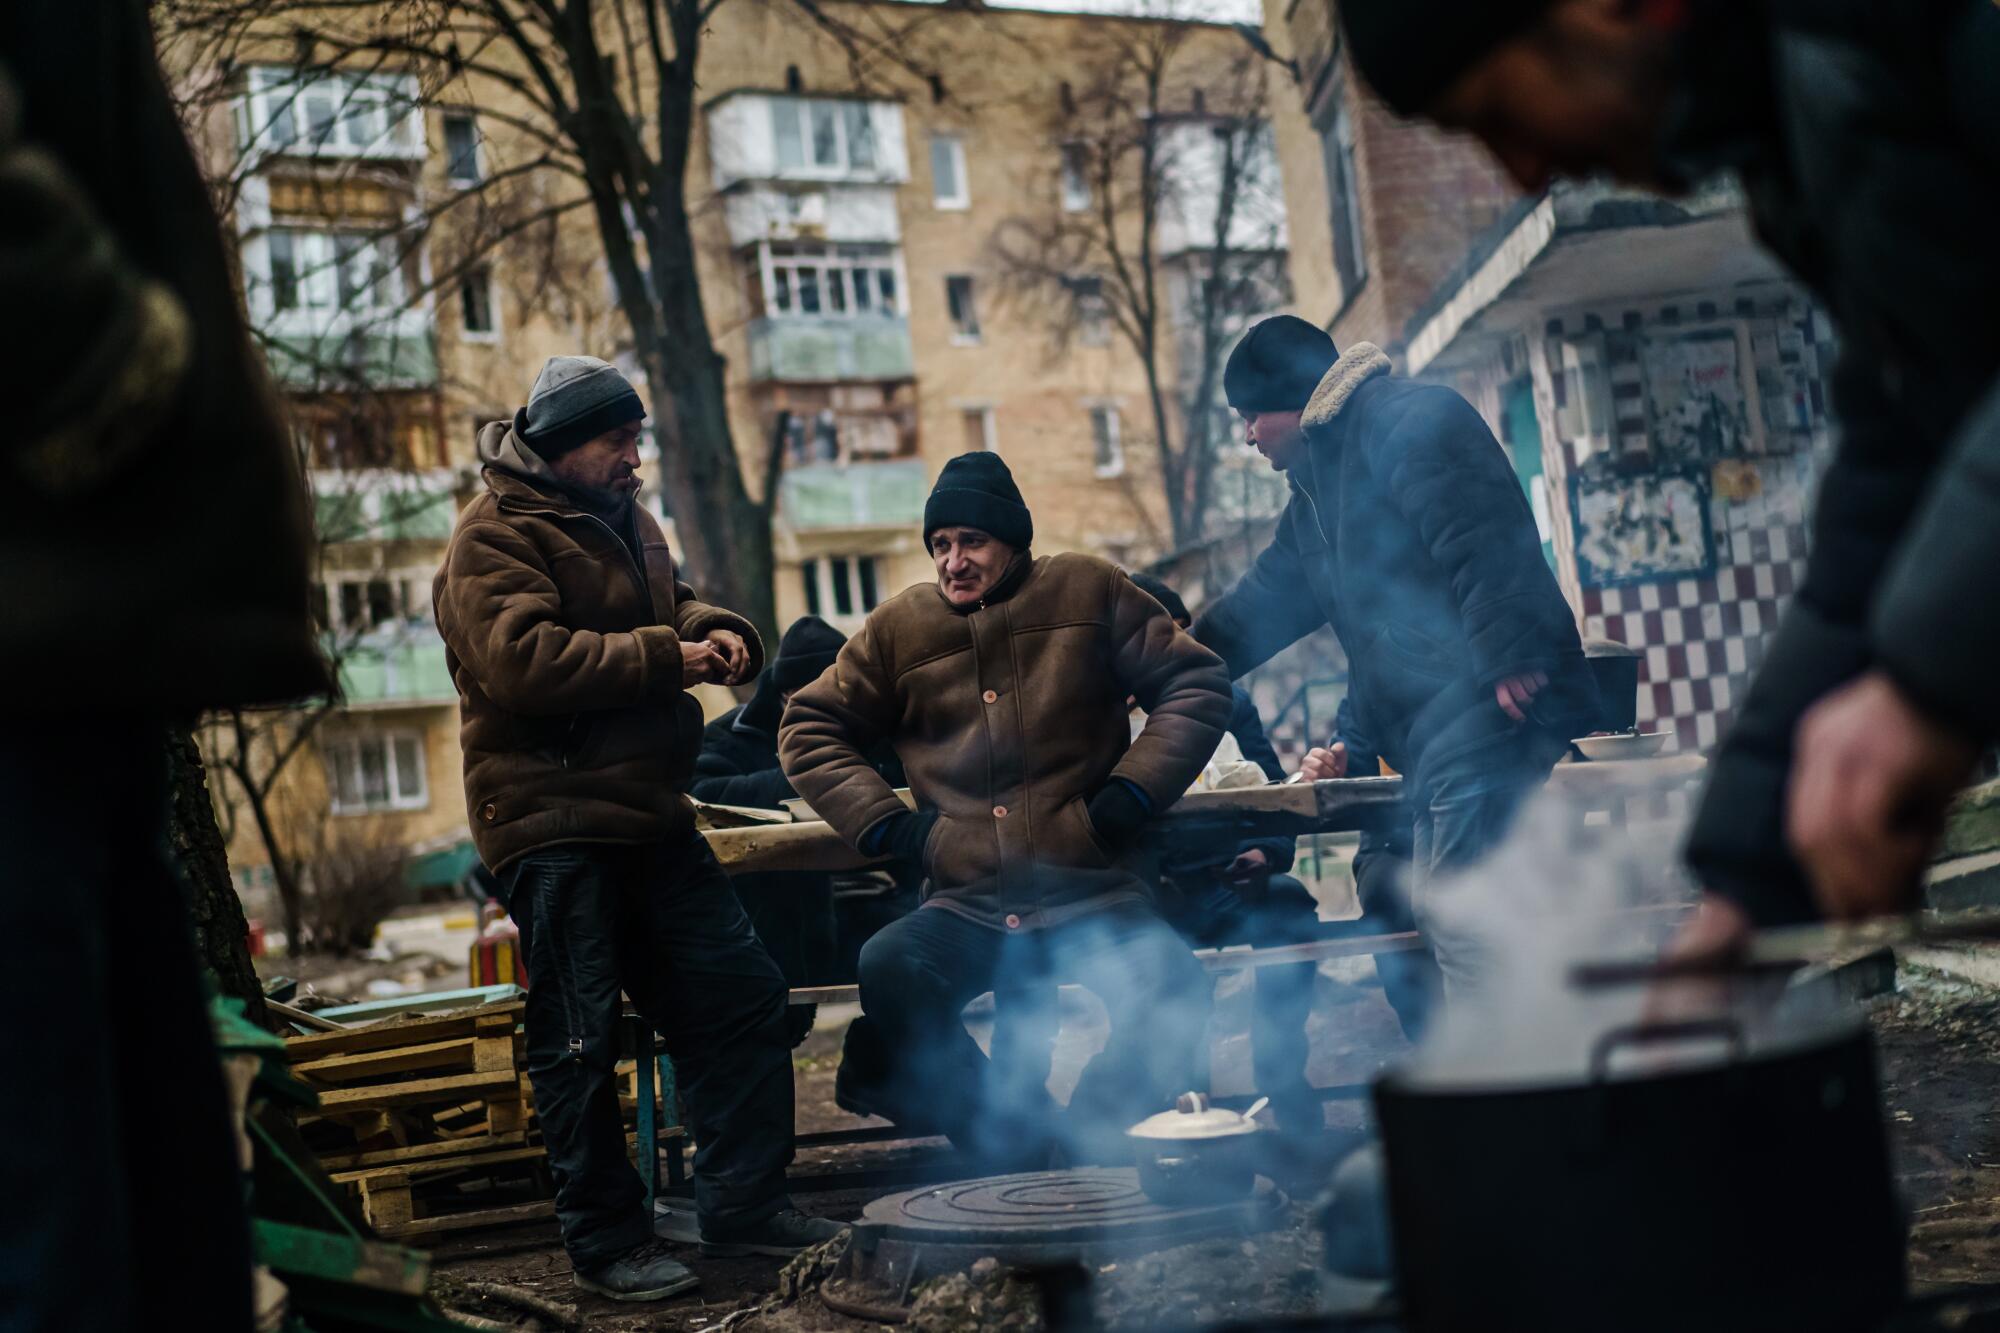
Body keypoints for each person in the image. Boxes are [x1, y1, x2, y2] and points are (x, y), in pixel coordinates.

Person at [1333, 0, 2000, 939]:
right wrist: (1739, 886)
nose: (1521, 170)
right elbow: (1901, 446)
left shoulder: (1874, 58)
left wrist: (1920, 681)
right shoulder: (1798, 133)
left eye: (1497, 115)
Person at [1, 5, 330, 1324]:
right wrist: (116, 370)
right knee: (65, 1231)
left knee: (148, 1214)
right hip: (31, 634)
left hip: (72, 654)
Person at [434, 356, 837, 1302]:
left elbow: (672, 601)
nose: (634, 456)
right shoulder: (491, 537)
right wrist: (672, 655)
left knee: (741, 993)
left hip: (651, 813)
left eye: (638, 437)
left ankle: (744, 1200)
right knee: (579, 1037)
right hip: (553, 816)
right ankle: (606, 1242)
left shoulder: (627, 521)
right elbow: (522, 662)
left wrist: (715, 626)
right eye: (619, 439)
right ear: (565, 443)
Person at [779, 452, 1233, 1164]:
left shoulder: (1089, 589)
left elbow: (1197, 682)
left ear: (1012, 540)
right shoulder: (900, 627)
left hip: (1094, 892)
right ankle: (1010, 1137)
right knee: (889, 962)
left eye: (971, 541)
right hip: (968, 905)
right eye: (940, 545)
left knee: (1172, 985)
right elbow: (807, 726)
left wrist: (1128, 795)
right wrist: (899, 831)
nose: (953, 561)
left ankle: (1092, 1130)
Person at [1193, 316, 1596, 999]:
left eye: (1251, 414)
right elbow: (1256, 608)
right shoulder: (1317, 499)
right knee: (1464, 911)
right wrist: (1167, 667)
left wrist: (1512, 651)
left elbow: (1484, 530)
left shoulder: (1406, 420)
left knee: (1464, 915)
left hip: (1483, 703)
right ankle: (1520, 1063)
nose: (1248, 435)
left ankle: (1518, 1075)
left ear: (1292, 397)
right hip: (1435, 727)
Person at [1126, 572, 1330, 1133]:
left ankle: (1281, 1076)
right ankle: (1187, 1101)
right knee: (1153, 963)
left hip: (1231, 879)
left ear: (1186, 635)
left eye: (1166, 635)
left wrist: (1264, 853)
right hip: (1151, 894)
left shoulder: (1226, 701)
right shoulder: (1095, 718)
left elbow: (1270, 794)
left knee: (1290, 913)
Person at [692, 614, 850, 1046]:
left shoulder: (878, 727)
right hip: (771, 923)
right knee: (762, 1027)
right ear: (784, 695)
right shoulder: (729, 738)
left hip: (867, 912)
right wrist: (807, 776)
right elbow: (699, 797)